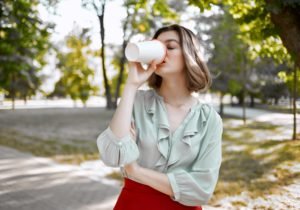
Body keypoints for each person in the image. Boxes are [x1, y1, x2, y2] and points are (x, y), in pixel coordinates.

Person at [96, 24, 223, 210]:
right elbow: (112, 155)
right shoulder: (137, 102)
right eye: (158, 47)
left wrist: (135, 171)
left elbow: (202, 190)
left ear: (189, 54)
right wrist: (131, 85)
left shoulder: (209, 119)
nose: (162, 53)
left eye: (170, 47)